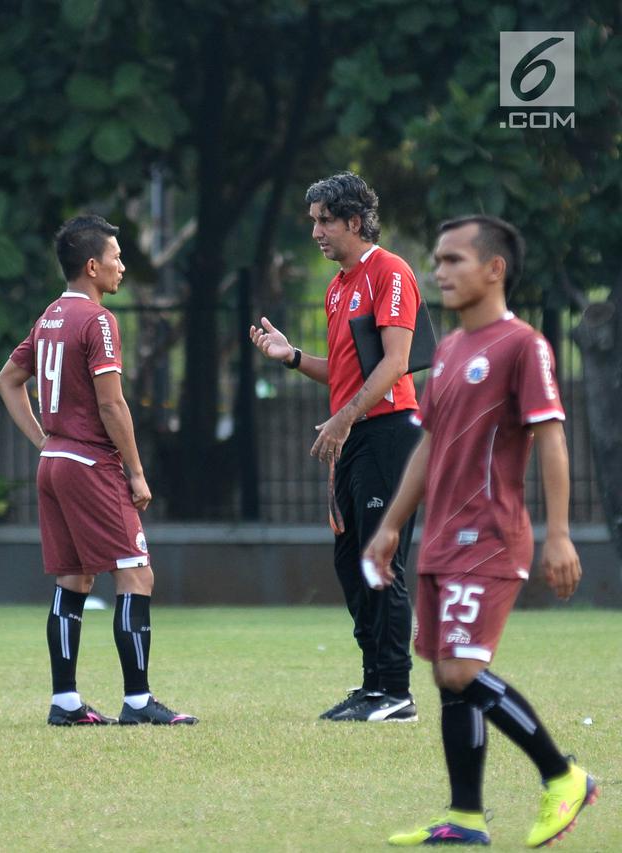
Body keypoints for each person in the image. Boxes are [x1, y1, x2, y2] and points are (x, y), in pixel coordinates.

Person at [364, 215, 598, 846]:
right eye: (436, 260)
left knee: (463, 672)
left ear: (494, 269)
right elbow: (428, 447)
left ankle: (564, 774)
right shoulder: (449, 351)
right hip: (443, 535)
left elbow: (550, 437)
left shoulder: (523, 345)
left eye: (453, 260)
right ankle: (465, 818)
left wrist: (559, 533)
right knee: (446, 674)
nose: (438, 270)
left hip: (490, 535)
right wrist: (390, 528)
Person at [0, 214, 196, 726]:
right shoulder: (99, 321)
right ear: (92, 266)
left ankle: (65, 703)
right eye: (116, 257)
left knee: (74, 578)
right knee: (136, 573)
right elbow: (112, 407)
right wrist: (136, 471)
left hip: (55, 462)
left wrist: (45, 441)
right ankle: (138, 701)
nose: (122, 266)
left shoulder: (49, 319)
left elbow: (6, 381)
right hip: (90, 462)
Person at [250, 172, 422, 722]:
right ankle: (374, 686)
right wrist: (292, 356)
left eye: (325, 220)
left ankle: (397, 691)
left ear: (354, 220)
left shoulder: (390, 273)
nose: (317, 232)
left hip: (390, 432)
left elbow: (395, 365)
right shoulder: (336, 287)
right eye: (313, 222)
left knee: (380, 561)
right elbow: (347, 375)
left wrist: (343, 421)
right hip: (355, 435)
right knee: (351, 564)